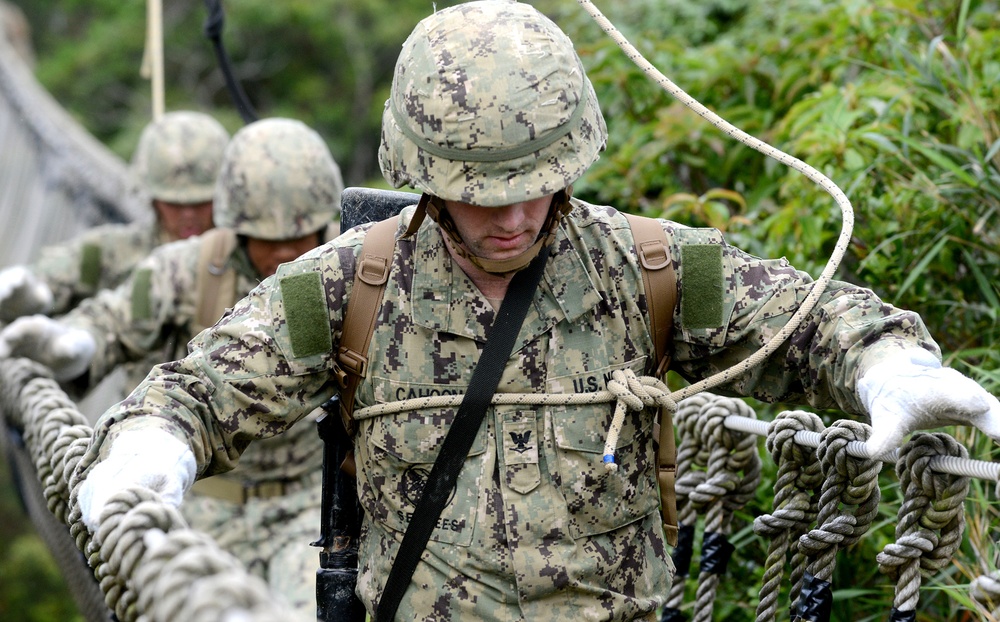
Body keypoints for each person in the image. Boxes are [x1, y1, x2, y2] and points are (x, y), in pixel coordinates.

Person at [68, 2, 1000, 620]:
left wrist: (890, 366)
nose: (513, 216)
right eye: (481, 191)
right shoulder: (352, 288)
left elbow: (801, 315)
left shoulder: (644, 269)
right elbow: (198, 390)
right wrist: (154, 450)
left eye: (538, 185)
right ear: (424, 180)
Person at [0, 117, 343, 618]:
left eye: (302, 234)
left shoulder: (342, 272)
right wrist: (76, 341)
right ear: (236, 225)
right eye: (267, 237)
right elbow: (118, 316)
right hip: (207, 500)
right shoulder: (187, 267)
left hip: (307, 512)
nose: (287, 251)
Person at [0, 110, 229, 324]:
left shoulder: (247, 259)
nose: (187, 214)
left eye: (201, 202)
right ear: (151, 197)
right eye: (173, 203)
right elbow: (58, 272)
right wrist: (32, 289)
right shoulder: (114, 251)